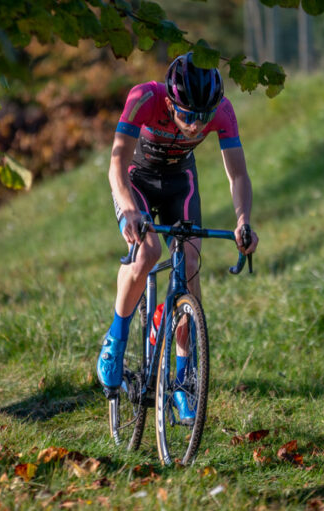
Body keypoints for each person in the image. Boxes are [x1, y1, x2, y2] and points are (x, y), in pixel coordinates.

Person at [96, 52, 259, 422]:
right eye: (187, 115)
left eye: (204, 117)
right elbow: (116, 166)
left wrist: (243, 221)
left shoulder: (223, 111)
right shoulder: (144, 97)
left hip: (179, 182)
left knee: (189, 265)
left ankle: (184, 381)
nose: (196, 126)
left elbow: (238, 175)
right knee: (147, 251)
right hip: (136, 180)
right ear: (170, 104)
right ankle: (115, 340)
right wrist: (130, 211)